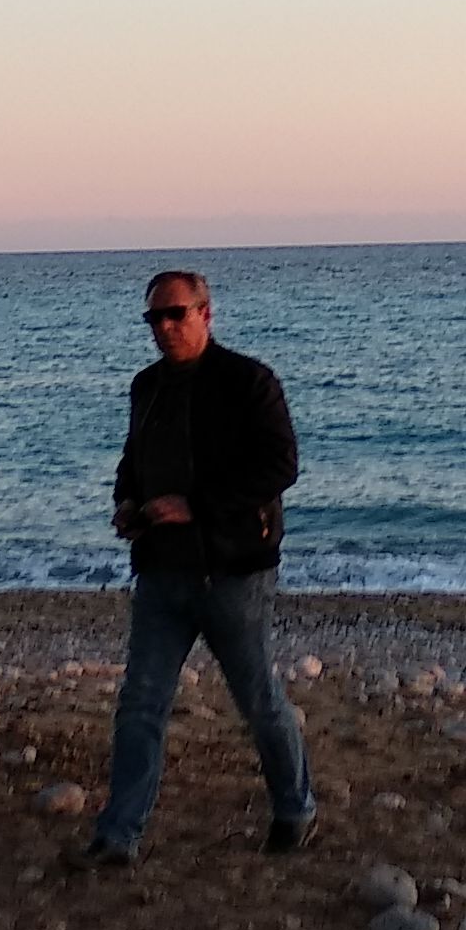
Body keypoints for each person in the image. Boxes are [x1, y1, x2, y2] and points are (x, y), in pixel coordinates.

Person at [80, 270, 316, 866]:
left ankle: (295, 808)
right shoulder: (147, 387)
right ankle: (118, 836)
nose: (164, 328)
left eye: (175, 314)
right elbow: (133, 460)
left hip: (233, 574)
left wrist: (197, 506)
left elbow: (280, 465)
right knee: (140, 705)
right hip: (161, 573)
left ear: (206, 315)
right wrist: (128, 505)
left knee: (258, 700)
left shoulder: (248, 382)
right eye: (154, 319)